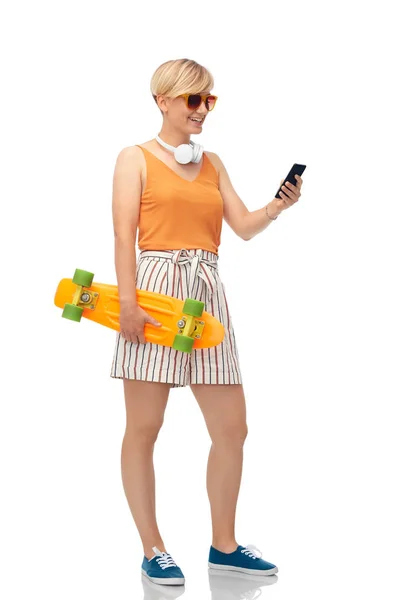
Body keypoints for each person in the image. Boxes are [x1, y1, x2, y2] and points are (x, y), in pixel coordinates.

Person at [110, 58, 302, 586]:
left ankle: (224, 545)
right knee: (145, 427)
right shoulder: (135, 158)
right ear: (163, 101)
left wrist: (276, 207)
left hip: (207, 297)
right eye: (193, 100)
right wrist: (128, 302)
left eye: (208, 99)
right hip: (153, 294)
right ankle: (153, 548)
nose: (202, 110)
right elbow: (125, 234)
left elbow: (240, 227)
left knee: (232, 427)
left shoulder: (213, 162)